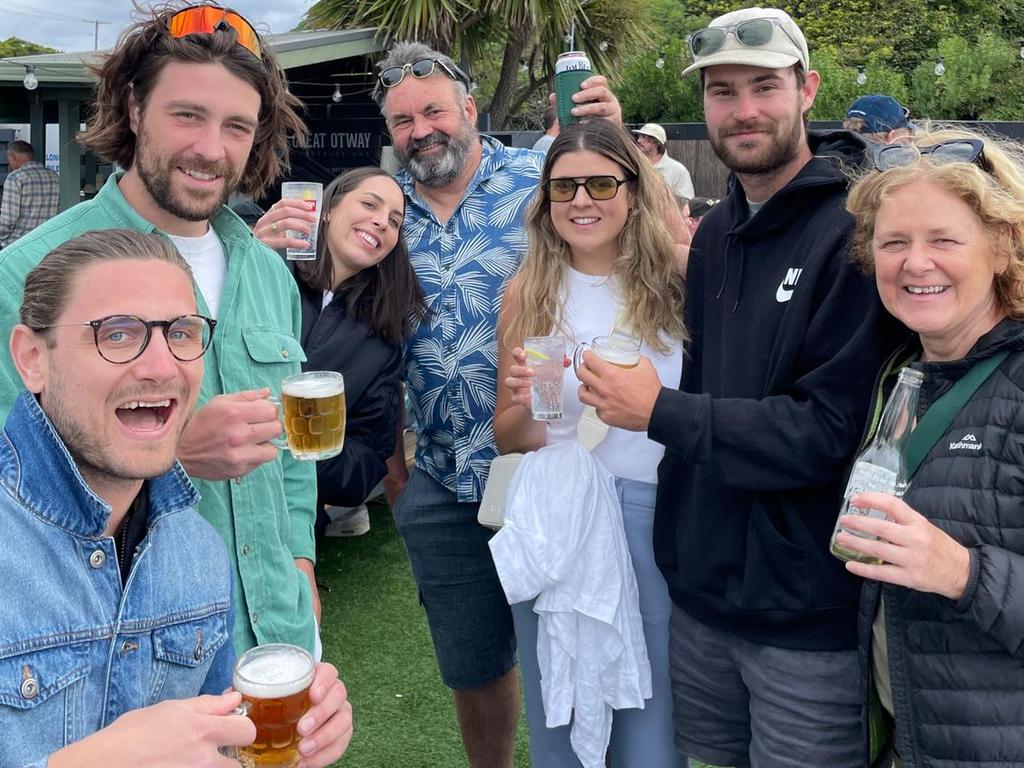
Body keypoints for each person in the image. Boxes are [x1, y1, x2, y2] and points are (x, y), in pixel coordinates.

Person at [577, 7, 902, 767]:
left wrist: (658, 412)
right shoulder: (718, 230)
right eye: (723, 92)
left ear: (808, 88)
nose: (744, 109)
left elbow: (828, 433)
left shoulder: (856, 226)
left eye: (764, 86)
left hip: (806, 615)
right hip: (701, 599)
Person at [0, 4, 321, 657]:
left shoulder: (269, 276)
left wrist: (303, 569)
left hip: (277, 637)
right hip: (127, 664)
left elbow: (291, 454)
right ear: (135, 107)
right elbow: (12, 492)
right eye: (187, 116)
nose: (210, 149)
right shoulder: (26, 275)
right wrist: (172, 458)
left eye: (236, 125)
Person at [3, 229, 351, 768]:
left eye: (183, 334)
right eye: (117, 334)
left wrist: (285, 742)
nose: (163, 367)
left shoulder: (195, 549)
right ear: (32, 359)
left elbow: (218, 746)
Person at [371, 39, 622, 768]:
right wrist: (397, 478)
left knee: (572, 649)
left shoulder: (543, 179)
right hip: (444, 481)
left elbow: (644, 236)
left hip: (556, 467)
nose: (420, 131)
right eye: (402, 121)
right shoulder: (382, 214)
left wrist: (613, 135)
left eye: (433, 111)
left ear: (471, 109)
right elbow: (360, 335)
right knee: (473, 663)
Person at [494, 118, 685, 767]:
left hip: (653, 519)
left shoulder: (676, 284)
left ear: (633, 190)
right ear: (545, 202)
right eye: (564, 187)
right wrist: (524, 404)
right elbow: (509, 438)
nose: (581, 200)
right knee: (563, 718)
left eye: (601, 183)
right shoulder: (528, 292)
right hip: (558, 518)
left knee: (651, 728)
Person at [836, 128, 1024, 768]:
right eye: (894, 243)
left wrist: (963, 573)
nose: (916, 263)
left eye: (944, 239)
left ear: (1002, 247)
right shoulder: (902, 375)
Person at [253, 166, 427, 536]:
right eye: (369, 204)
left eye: (394, 221)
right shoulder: (264, 262)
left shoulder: (381, 339)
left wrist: (307, 448)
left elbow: (365, 465)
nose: (381, 222)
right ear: (329, 208)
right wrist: (248, 260)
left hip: (289, 525)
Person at [0, 140, 59, 248]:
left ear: (12, 157)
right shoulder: (54, 176)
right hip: (47, 244)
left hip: (19, 245)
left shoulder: (15, 178)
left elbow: (7, 220)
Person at [633, 123, 695, 202]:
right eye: (640, 136)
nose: (639, 140)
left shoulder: (678, 170)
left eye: (645, 137)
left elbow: (686, 202)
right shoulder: (634, 165)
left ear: (657, 142)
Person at [844, 94, 915, 144]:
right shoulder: (897, 163)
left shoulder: (837, 153)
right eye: (906, 135)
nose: (909, 141)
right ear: (891, 137)